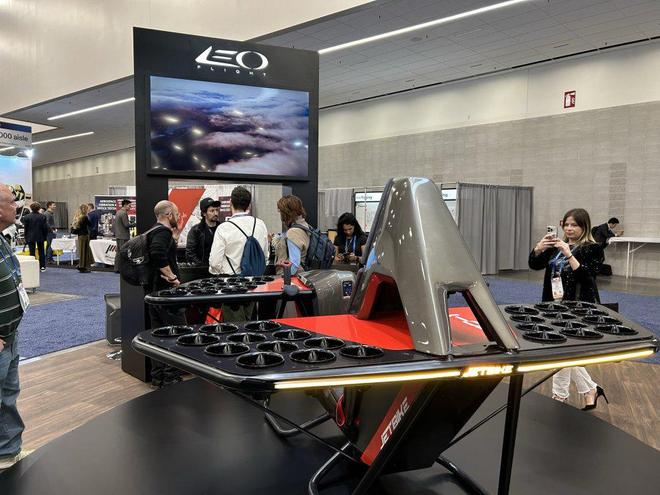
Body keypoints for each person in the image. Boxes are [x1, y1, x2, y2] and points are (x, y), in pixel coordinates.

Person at [529, 208, 607, 410]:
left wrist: (569, 254)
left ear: (585, 226)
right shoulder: (556, 246)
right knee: (564, 351)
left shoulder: (593, 248)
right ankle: (590, 389)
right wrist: (538, 248)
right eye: (567, 224)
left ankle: (560, 396)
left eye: (575, 225)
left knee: (561, 350)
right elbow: (535, 265)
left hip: (577, 307)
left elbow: (587, 277)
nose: (570, 229)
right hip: (552, 305)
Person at [0, 183, 31, 471]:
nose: (16, 206)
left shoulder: (1, 238)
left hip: (9, 335)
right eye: (11, 202)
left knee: (8, 397)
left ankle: (7, 454)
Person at [209, 187, 268, 321]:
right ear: (249, 205)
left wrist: (219, 273)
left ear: (231, 203)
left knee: (235, 326)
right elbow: (265, 256)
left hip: (231, 285)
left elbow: (215, 262)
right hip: (254, 283)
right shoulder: (260, 224)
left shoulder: (224, 228)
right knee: (251, 322)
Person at [147, 200, 186, 386]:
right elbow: (157, 253)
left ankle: (158, 376)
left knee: (159, 336)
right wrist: (172, 277)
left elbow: (162, 253)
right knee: (177, 334)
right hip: (167, 294)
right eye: (176, 214)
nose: (178, 217)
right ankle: (171, 378)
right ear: (168, 214)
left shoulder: (154, 231)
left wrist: (175, 239)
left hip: (155, 293)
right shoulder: (162, 232)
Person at [272, 195, 310, 275]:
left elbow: (294, 266)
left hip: (292, 278)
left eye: (280, 212)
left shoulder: (293, 232)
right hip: (303, 274)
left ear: (285, 213)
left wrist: (281, 265)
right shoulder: (304, 226)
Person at [186, 197, 221, 266]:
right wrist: (202, 266)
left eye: (217, 210)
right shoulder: (196, 230)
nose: (216, 213)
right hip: (203, 269)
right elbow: (190, 253)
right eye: (212, 211)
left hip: (220, 269)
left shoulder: (222, 229)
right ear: (204, 213)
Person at [21, 202, 49, 272]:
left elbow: (26, 228)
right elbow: (45, 228)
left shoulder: (26, 217)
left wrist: (26, 237)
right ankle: (42, 267)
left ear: (31, 208)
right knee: (41, 252)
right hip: (40, 236)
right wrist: (45, 236)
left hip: (30, 236)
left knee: (32, 252)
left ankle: (32, 267)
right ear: (39, 208)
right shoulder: (43, 216)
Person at [113, 199, 133, 274]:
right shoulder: (123, 213)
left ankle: (117, 268)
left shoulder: (118, 212)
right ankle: (121, 268)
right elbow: (126, 225)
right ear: (125, 205)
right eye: (129, 206)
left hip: (119, 235)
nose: (130, 207)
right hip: (123, 236)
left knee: (119, 252)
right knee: (123, 253)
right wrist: (135, 224)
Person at [72, 204, 93, 273]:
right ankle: (82, 266)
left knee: (82, 251)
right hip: (84, 235)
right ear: (85, 209)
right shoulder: (85, 217)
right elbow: (90, 224)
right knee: (85, 251)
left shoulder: (78, 217)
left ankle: (81, 265)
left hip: (80, 236)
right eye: (87, 208)